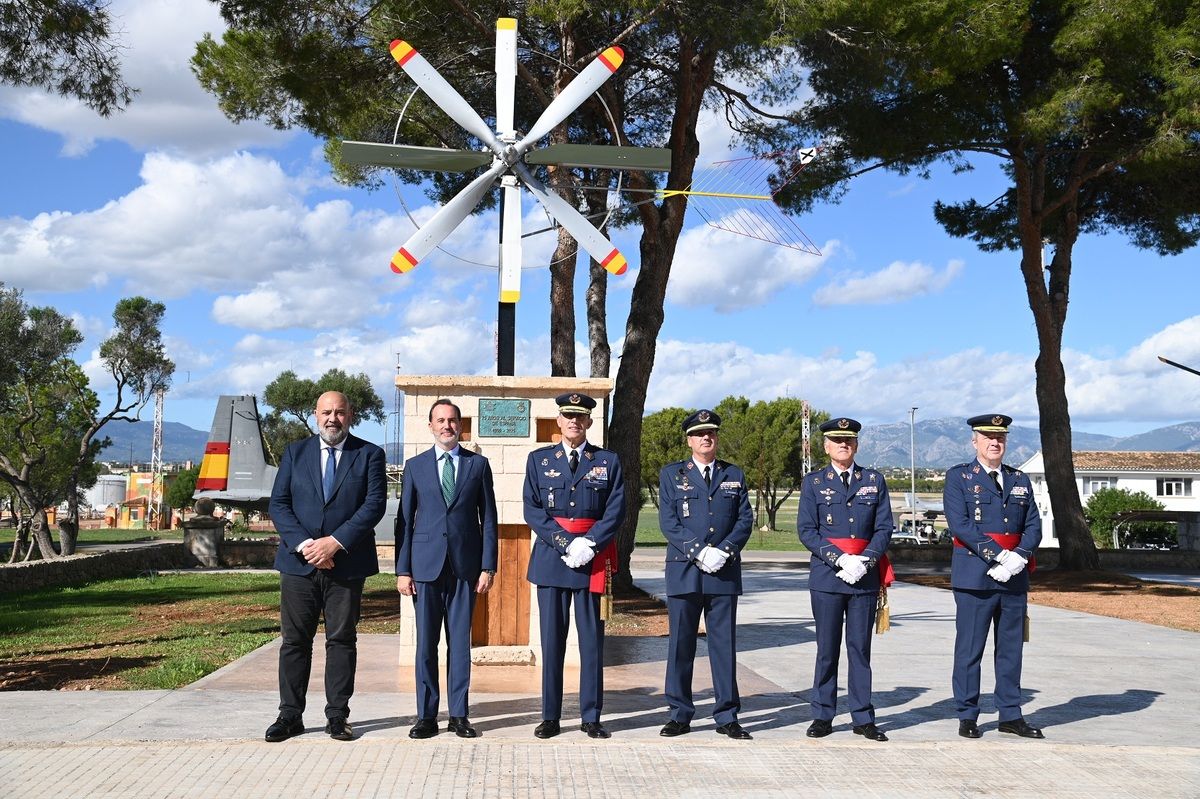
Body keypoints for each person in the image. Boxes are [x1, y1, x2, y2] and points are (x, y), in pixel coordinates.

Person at [264, 391, 386, 743]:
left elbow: (374, 504)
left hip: (346, 564)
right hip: (298, 565)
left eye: (340, 412)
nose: (333, 418)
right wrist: (308, 546)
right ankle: (290, 715)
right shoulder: (295, 453)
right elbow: (279, 504)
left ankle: (337, 716)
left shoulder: (370, 455)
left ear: (351, 415)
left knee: (342, 640)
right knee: (294, 642)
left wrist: (334, 542)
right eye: (327, 412)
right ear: (316, 415)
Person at [523, 392, 625, 739]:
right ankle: (550, 716)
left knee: (592, 643)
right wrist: (566, 542)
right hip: (552, 560)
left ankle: (591, 716)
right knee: (552, 643)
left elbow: (615, 509)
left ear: (589, 422)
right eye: (568, 415)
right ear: (559, 420)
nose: (574, 421)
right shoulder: (539, 460)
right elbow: (532, 510)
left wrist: (589, 543)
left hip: (591, 561)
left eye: (580, 417)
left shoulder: (607, 461)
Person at [396, 399, 498, 739]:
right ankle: (426, 716)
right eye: (440, 420)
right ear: (430, 426)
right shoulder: (415, 467)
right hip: (424, 568)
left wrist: (488, 566)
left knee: (460, 646)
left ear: (460, 425)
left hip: (465, 569)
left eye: (452, 420)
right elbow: (405, 521)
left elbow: (489, 520)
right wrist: (403, 570)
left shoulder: (478, 465)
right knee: (426, 645)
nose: (446, 426)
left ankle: (459, 715)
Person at [944, 414, 1043, 740]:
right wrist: (998, 555)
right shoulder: (959, 477)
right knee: (970, 650)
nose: (994, 442)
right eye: (988, 437)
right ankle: (967, 715)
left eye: (1000, 437)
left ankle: (1010, 715)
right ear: (975, 441)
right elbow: (960, 524)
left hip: (1013, 578)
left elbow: (1033, 525)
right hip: (975, 577)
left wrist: (1019, 556)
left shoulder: (1019, 479)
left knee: (1011, 650)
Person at [657, 409, 754, 740]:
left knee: (723, 646)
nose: (706, 438)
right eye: (699, 434)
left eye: (711, 432)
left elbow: (744, 519)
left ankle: (727, 715)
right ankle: (679, 714)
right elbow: (669, 521)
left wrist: (723, 551)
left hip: (723, 572)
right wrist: (699, 551)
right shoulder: (672, 474)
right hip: (684, 569)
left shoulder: (733, 473)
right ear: (689, 440)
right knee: (681, 645)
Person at [797, 417, 894, 742]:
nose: (843, 445)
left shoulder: (874, 481)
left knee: (860, 650)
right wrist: (839, 559)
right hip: (828, 577)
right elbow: (807, 530)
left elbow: (884, 527)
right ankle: (823, 715)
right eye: (837, 441)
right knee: (827, 650)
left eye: (849, 440)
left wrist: (866, 560)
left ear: (856, 445)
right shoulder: (813, 482)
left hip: (864, 577)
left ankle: (863, 717)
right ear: (826, 446)